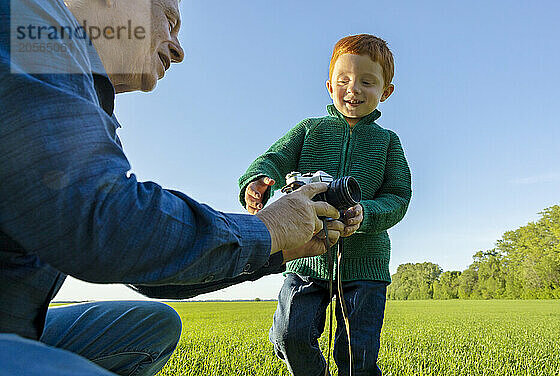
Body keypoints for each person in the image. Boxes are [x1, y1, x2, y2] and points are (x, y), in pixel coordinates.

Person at [0, 0, 345, 375]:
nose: (178, 50)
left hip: (15, 327)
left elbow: (141, 267)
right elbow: (104, 221)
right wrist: (268, 227)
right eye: (169, 19)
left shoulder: (80, 94)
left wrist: (279, 251)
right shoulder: (30, 19)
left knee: (151, 325)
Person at [239, 34, 412, 376]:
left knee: (357, 355)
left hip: (366, 265)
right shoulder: (310, 130)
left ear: (385, 92)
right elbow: (273, 158)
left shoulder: (387, 141)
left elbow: (399, 196)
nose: (354, 89)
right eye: (344, 80)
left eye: (367, 82)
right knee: (291, 336)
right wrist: (257, 180)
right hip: (305, 257)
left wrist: (368, 213)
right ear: (329, 84)